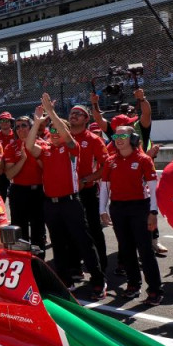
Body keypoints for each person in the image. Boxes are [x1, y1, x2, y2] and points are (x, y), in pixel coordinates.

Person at [26, 93, 106, 299]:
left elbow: (67, 137)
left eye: (56, 130)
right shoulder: (45, 150)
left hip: (71, 203)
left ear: (65, 133)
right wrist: (37, 123)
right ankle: (65, 280)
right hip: (51, 205)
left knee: (83, 242)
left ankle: (98, 280)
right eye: (50, 130)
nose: (53, 133)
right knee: (59, 244)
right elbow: (28, 146)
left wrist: (51, 113)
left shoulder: (72, 149)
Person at [100, 126, 162, 305]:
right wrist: (102, 210)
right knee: (126, 250)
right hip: (118, 208)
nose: (118, 139)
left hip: (140, 208)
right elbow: (104, 187)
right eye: (116, 135)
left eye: (123, 135)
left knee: (145, 251)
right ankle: (133, 285)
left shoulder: (144, 159)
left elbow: (152, 188)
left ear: (133, 138)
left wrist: (153, 212)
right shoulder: (111, 161)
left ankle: (155, 289)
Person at [68, 104, 109, 272]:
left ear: (86, 119)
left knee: (94, 230)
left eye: (78, 114)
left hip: (87, 192)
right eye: (71, 113)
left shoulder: (93, 139)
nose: (73, 115)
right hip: (67, 193)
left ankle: (101, 267)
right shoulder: (63, 136)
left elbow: (106, 165)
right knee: (71, 231)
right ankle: (75, 267)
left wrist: (88, 179)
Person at [2, 115, 46, 258]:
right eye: (18, 126)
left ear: (32, 127)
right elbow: (9, 175)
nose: (20, 129)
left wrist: (33, 152)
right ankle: (22, 261)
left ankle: (40, 263)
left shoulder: (43, 144)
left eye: (24, 125)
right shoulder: (11, 146)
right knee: (20, 230)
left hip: (39, 191)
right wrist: (22, 160)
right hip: (19, 191)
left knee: (38, 229)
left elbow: (46, 168)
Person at [0, 111, 15, 201]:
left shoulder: (17, 135)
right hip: (1, 171)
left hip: (15, 169)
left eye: (7, 120)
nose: (4, 123)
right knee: (1, 195)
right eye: (2, 121)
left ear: (11, 123)